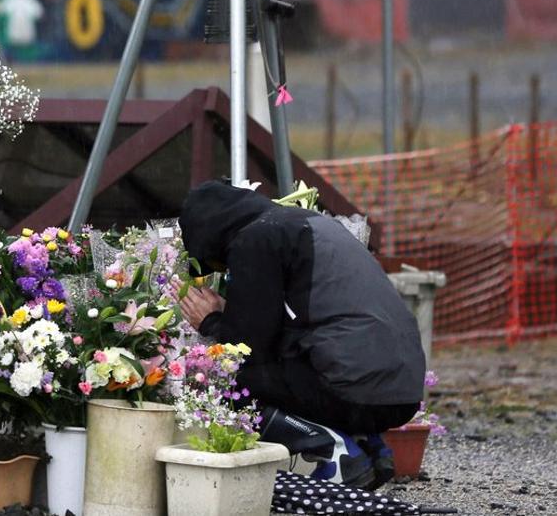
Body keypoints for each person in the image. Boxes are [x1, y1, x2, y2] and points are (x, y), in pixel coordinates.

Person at [178, 180, 425, 489]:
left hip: (355, 389)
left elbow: (247, 350)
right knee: (288, 368)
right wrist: (237, 312)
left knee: (231, 384)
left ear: (208, 234)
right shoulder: (305, 224)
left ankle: (331, 451)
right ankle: (370, 447)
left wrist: (211, 321)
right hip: (401, 391)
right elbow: (301, 320)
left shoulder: (255, 239)